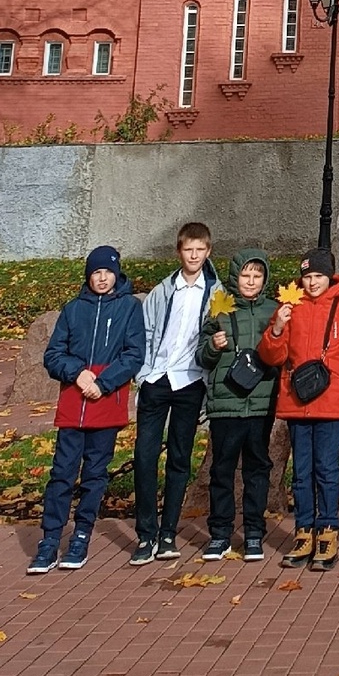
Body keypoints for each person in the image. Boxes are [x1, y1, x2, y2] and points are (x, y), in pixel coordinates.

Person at [30, 245, 146, 572]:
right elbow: (54, 355)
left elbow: (133, 355)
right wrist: (77, 373)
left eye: (108, 272)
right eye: (96, 272)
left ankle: (81, 534)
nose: (102, 278)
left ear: (116, 274)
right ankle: (50, 538)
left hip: (105, 402)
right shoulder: (72, 309)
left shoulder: (128, 308)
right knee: (61, 474)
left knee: (95, 475)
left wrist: (104, 382)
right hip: (73, 402)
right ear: (88, 275)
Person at [258, 246, 339, 570]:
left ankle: (328, 533)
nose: (312, 282)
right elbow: (272, 356)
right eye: (307, 276)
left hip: (331, 401)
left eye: (318, 276)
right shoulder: (289, 305)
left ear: (329, 275)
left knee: (327, 470)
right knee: (301, 473)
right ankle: (304, 532)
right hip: (297, 401)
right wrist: (277, 327)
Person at [129, 221, 218, 566]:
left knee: (180, 459)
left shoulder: (216, 293)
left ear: (208, 251)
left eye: (200, 250)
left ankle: (168, 533)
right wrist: (143, 375)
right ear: (179, 251)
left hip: (190, 382)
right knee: (144, 457)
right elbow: (147, 333)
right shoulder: (163, 291)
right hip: (157, 380)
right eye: (188, 250)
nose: (194, 255)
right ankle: (145, 533)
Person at [195, 248, 279, 562]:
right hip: (226, 404)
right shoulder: (219, 308)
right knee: (222, 469)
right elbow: (201, 356)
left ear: (265, 278)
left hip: (260, 404)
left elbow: (281, 354)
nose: (251, 281)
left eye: (257, 275)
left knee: (257, 468)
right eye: (246, 274)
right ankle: (220, 534)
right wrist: (214, 348)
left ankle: (254, 532)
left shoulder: (275, 310)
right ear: (235, 276)